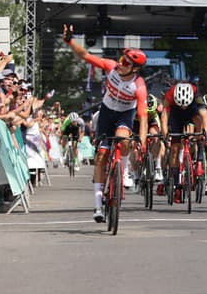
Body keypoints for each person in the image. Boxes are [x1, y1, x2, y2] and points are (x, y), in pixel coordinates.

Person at [63, 24, 148, 223]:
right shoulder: (110, 68)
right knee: (101, 155)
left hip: (125, 115)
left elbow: (143, 117)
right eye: (121, 59)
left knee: (124, 140)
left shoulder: (139, 86)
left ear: (134, 69)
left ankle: (124, 172)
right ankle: (98, 205)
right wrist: (69, 41)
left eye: (126, 63)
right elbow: (85, 56)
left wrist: (142, 142)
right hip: (107, 113)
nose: (120, 64)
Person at [160, 82, 207, 204]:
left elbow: (205, 117)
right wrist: (165, 134)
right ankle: (176, 181)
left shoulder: (196, 94)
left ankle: (198, 155)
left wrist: (204, 134)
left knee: (198, 122)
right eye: (182, 105)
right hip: (175, 115)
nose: (183, 107)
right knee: (175, 149)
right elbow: (165, 116)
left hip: (192, 113)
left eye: (185, 105)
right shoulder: (170, 95)